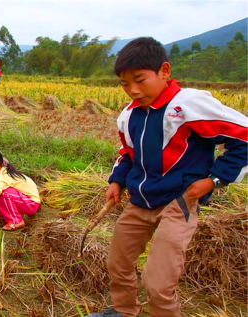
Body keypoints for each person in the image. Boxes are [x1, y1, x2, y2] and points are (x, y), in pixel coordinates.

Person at [88, 37, 248, 317]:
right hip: (140, 201)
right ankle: (124, 311)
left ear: (164, 71)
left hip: (179, 201)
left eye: (139, 80)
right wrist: (117, 181)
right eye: (124, 84)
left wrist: (214, 180)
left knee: (158, 282)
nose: (133, 90)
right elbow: (128, 153)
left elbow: (244, 138)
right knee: (118, 264)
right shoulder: (129, 115)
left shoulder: (188, 106)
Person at [0, 148, 41, 231]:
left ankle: (16, 222)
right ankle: (4, 212)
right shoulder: (4, 170)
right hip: (24, 200)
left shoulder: (4, 177)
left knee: (4, 193)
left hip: (31, 204)